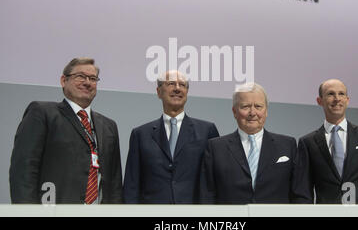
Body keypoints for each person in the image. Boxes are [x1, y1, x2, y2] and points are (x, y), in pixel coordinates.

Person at [9, 58, 123, 204]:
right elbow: (23, 171)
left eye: (93, 78)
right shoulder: (42, 113)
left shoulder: (109, 126)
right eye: (80, 76)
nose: (87, 82)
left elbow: (114, 183)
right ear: (64, 81)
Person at [200, 82, 307, 204]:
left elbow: (300, 194)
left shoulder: (288, 145)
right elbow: (206, 195)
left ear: (266, 111)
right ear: (234, 111)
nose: (252, 113)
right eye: (245, 106)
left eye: (258, 106)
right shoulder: (215, 148)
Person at [123, 70, 219, 204]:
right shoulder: (140, 134)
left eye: (183, 85)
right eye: (171, 84)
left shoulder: (207, 131)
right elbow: (131, 185)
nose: (177, 89)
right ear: (159, 92)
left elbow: (214, 181)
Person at [296, 78, 358, 204]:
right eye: (330, 94)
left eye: (341, 94)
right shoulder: (308, 143)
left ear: (347, 100)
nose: (337, 98)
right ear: (320, 101)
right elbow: (303, 191)